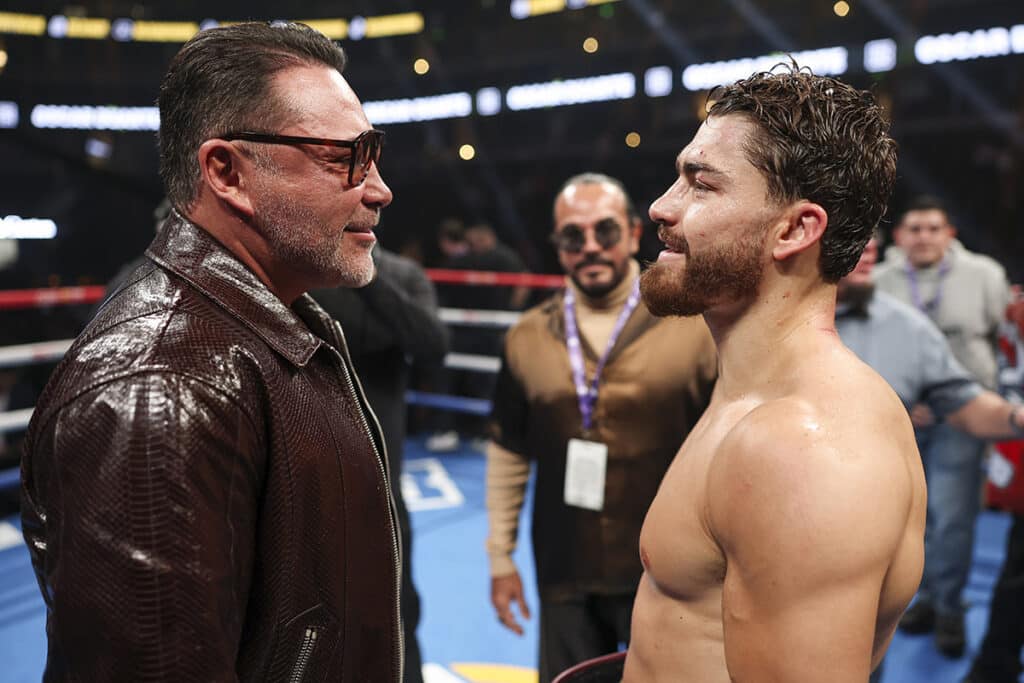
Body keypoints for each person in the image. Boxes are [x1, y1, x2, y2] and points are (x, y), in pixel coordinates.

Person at [20, 21, 402, 681]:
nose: (378, 188)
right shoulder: (162, 385)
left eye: (374, 154)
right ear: (227, 171)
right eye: (347, 156)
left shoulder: (266, 328)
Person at [625, 65, 924, 681]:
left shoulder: (801, 448)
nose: (661, 206)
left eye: (700, 185)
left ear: (794, 229)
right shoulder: (753, 395)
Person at [486, 172, 717, 682]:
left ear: (634, 234)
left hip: (673, 572)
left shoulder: (697, 324)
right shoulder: (524, 338)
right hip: (564, 565)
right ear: (557, 246)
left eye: (605, 231)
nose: (590, 247)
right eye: (573, 236)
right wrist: (501, 558)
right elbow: (509, 451)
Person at [837, 235, 1024, 682]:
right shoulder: (741, 313)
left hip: (861, 540)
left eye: (872, 238)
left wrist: (1017, 416)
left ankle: (946, 611)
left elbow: (964, 402)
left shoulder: (904, 326)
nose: (870, 247)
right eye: (853, 232)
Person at [874, 196, 1013, 657]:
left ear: (950, 233)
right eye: (914, 229)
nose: (924, 237)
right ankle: (921, 599)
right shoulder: (878, 280)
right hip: (899, 416)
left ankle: (949, 608)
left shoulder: (985, 276)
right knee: (902, 521)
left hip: (962, 414)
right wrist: (901, 396)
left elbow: (998, 339)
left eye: (934, 228)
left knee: (951, 519)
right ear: (899, 236)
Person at [310, 246, 449, 683]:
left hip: (383, 494)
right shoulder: (297, 276)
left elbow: (433, 345)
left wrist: (364, 274)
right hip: (306, 493)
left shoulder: (400, 275)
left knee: (398, 622)